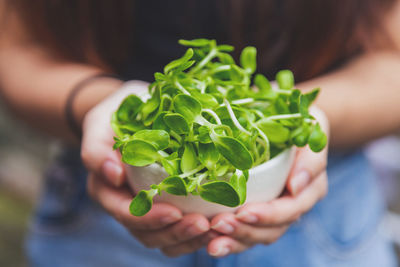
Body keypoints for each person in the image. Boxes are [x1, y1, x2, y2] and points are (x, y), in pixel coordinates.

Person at [0, 0, 399, 266]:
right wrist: (101, 103)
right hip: (103, 217)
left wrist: (307, 116)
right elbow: (17, 48)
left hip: (323, 215)